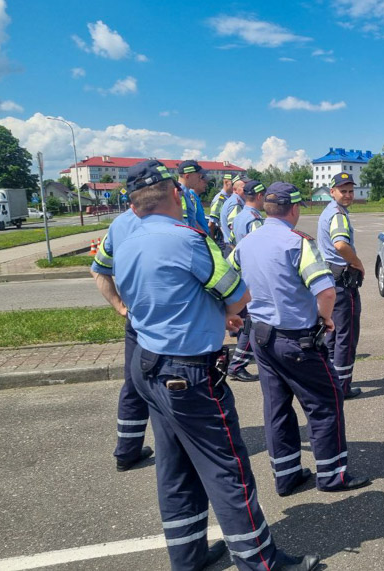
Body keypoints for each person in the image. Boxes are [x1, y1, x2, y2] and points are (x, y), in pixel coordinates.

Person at [116, 161, 318, 571]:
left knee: (175, 471)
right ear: (176, 193)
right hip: (187, 372)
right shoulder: (188, 239)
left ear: (134, 203)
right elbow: (236, 294)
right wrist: (222, 311)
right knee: (228, 471)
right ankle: (261, 562)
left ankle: (188, 558)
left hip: (146, 362)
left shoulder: (125, 239)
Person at [232, 182, 370, 495]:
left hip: (261, 337)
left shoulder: (246, 243)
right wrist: (324, 319)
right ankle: (333, 474)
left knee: (277, 408)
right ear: (294, 209)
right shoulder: (297, 243)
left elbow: (231, 286)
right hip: (296, 340)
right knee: (325, 402)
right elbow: (325, 289)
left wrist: (238, 313)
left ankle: (287, 475)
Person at [91, 207, 153, 473]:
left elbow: (98, 269)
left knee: (133, 383)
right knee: (177, 385)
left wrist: (119, 306)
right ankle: (185, 451)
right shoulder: (173, 222)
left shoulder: (119, 225)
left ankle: (127, 451)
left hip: (136, 318)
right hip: (172, 322)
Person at [316, 172, 363, 399]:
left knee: (332, 334)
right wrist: (358, 263)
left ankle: (330, 380)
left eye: (350, 191)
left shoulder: (329, 211)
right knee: (346, 335)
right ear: (332, 191)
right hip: (342, 282)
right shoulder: (338, 216)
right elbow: (341, 244)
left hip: (330, 279)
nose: (347, 195)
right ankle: (342, 387)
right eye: (342, 191)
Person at [227, 182, 266, 382]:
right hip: (253, 276)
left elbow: (234, 244)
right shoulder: (255, 220)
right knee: (251, 321)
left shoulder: (240, 216)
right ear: (259, 196)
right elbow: (261, 248)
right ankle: (237, 364)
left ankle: (239, 363)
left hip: (241, 273)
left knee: (248, 320)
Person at [221, 176, 263, 253]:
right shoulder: (236, 204)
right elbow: (234, 229)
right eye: (244, 187)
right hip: (234, 248)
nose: (247, 189)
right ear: (235, 190)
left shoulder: (234, 201)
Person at [178, 160, 210, 233]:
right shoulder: (179, 195)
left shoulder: (187, 194)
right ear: (187, 176)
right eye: (199, 176)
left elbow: (193, 221)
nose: (200, 179)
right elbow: (184, 226)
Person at [209, 174, 233, 246]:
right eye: (233, 184)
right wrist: (212, 243)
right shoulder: (220, 199)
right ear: (226, 183)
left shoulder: (229, 197)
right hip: (222, 239)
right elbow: (212, 223)